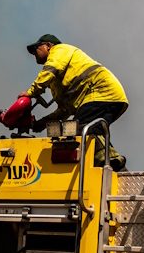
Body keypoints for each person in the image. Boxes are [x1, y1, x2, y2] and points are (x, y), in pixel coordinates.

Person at [22, 34, 129, 171]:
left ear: (48, 45)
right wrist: (43, 122)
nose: (33, 54)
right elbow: (65, 109)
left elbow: (50, 69)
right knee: (85, 130)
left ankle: (111, 162)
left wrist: (32, 92)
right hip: (107, 97)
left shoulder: (60, 50)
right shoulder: (57, 80)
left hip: (102, 92)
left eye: (35, 49)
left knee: (83, 128)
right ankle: (110, 164)